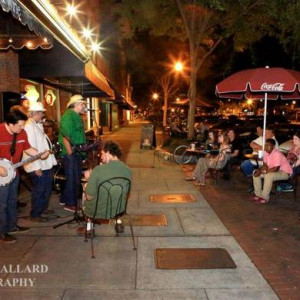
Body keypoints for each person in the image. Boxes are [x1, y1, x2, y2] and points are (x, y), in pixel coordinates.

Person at [0, 108, 49, 243]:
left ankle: (12, 226)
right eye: (20, 125)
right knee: (1, 203)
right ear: (10, 124)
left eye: (23, 124)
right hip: (1, 174)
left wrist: (40, 153)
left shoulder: (21, 133)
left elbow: (28, 148)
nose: (22, 128)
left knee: (12, 201)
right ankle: (2, 232)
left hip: (13, 172)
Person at [81, 141, 132, 233]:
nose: (101, 157)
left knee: (86, 190)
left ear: (108, 153)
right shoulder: (128, 170)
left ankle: (89, 226)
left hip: (98, 210)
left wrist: (89, 180)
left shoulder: (98, 170)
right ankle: (118, 221)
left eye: (102, 154)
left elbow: (89, 196)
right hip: (119, 209)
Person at [23, 102, 57, 222]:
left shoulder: (36, 124)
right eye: (41, 112)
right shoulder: (29, 127)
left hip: (45, 163)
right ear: (36, 113)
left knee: (46, 189)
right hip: (38, 165)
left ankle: (42, 209)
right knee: (40, 190)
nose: (43, 115)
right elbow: (30, 148)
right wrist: (36, 167)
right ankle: (36, 214)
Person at [58, 94, 87, 212]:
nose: (84, 106)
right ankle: (70, 203)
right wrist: (70, 152)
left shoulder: (76, 115)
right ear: (75, 104)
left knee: (75, 176)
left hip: (77, 151)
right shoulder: (68, 116)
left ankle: (65, 198)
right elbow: (65, 135)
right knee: (73, 177)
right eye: (82, 104)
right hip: (71, 152)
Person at [252, 139, 292, 204]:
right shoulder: (265, 153)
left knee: (269, 175)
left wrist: (263, 171)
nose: (266, 147)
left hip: (284, 172)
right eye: (265, 145)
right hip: (273, 171)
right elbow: (265, 165)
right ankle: (258, 195)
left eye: (268, 145)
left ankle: (264, 198)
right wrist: (259, 170)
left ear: (273, 146)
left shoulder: (277, 154)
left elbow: (275, 169)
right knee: (255, 173)